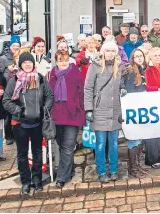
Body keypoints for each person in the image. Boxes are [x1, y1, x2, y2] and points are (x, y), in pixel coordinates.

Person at [2, 52, 54, 194]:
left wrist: (45, 109)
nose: (27, 65)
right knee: (22, 153)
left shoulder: (40, 79)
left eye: (29, 62)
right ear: (21, 65)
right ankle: (25, 181)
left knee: (37, 152)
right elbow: (6, 100)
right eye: (24, 63)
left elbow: (49, 96)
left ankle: (36, 179)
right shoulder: (14, 80)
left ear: (33, 64)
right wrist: (19, 111)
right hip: (20, 123)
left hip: (37, 122)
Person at [84, 41, 123, 183]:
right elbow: (88, 88)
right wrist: (88, 108)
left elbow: (121, 84)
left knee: (113, 142)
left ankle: (113, 170)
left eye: (113, 51)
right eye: (108, 51)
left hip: (115, 109)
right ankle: (101, 171)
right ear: (103, 52)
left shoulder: (118, 66)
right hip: (99, 109)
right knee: (100, 143)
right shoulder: (94, 66)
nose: (111, 53)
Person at [48, 50, 85, 187]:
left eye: (65, 60)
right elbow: (48, 94)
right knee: (60, 144)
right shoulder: (51, 75)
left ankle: (61, 178)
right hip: (56, 115)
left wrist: (81, 110)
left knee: (68, 146)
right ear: (56, 61)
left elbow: (81, 93)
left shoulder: (75, 73)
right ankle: (69, 170)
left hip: (72, 115)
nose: (63, 62)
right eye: (60, 60)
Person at [120, 49, 150, 178]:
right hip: (134, 110)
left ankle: (137, 164)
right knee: (134, 139)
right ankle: (133, 168)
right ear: (132, 58)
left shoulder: (142, 70)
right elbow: (130, 92)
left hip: (141, 108)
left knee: (139, 138)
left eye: (141, 56)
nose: (139, 58)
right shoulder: (132, 71)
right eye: (136, 56)